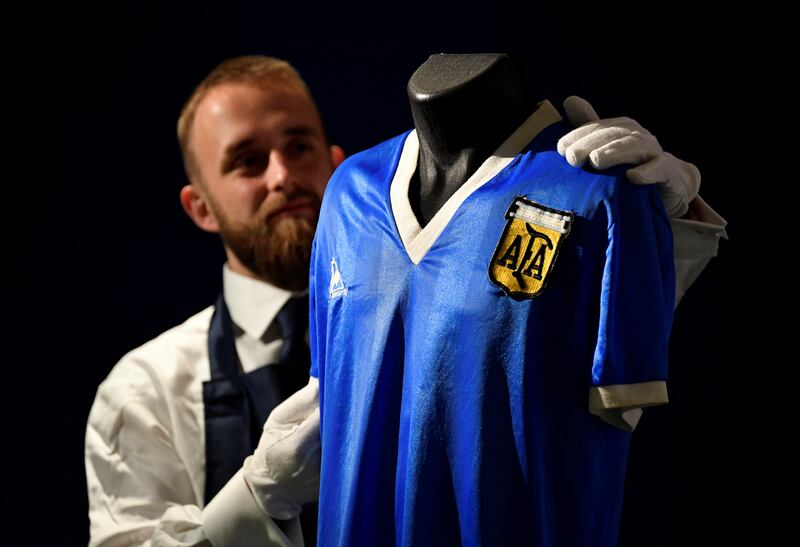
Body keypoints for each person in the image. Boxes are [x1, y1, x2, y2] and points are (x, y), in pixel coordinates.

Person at [85, 54, 726, 547]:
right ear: (199, 206)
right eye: (247, 161)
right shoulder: (146, 390)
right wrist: (257, 497)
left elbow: (553, 348)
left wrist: (657, 229)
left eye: (299, 146)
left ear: (334, 161)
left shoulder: (452, 243)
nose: (283, 174)